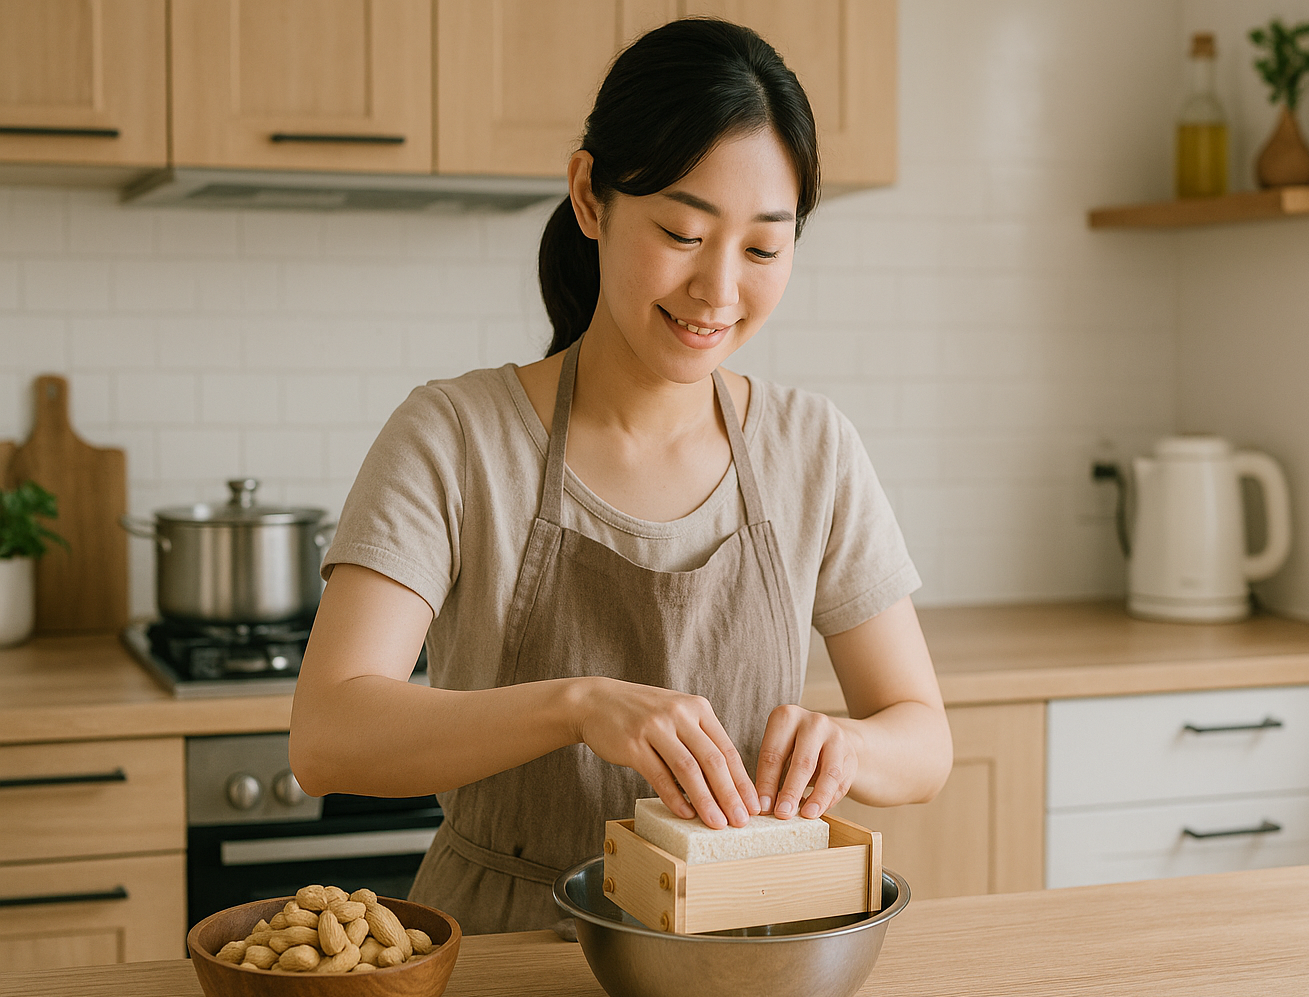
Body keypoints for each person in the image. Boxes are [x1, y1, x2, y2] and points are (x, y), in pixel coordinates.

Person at [289, 17, 952, 935]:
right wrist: (576, 704)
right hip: (502, 951)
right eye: (682, 232)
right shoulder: (456, 436)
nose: (719, 291)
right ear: (590, 198)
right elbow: (328, 738)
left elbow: (923, 739)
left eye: (763, 248)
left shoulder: (813, 449)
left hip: (735, 950)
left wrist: (848, 746)